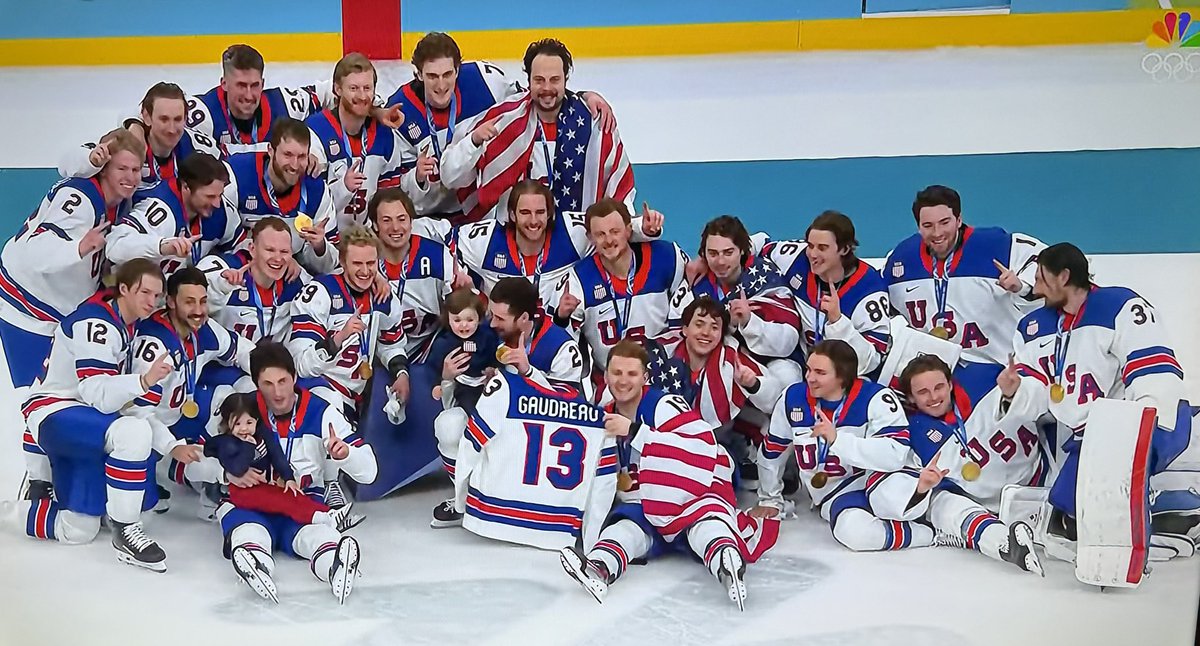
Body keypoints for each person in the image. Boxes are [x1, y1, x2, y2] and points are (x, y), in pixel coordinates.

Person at [559, 340, 779, 611]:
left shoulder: (663, 404)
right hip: (646, 497)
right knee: (626, 527)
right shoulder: (603, 411)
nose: (623, 381)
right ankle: (600, 566)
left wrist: (635, 432)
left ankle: (726, 560)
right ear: (605, 376)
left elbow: (701, 447)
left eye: (631, 374)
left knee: (705, 525)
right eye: (616, 373)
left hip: (697, 490)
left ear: (645, 377)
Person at [1010, 243, 1196, 554]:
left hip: (1143, 424)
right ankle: (1169, 511)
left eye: (1041, 279)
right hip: (1090, 440)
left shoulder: (1119, 306)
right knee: (1065, 514)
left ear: (1064, 277)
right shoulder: (1033, 327)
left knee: (1100, 508)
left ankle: (1142, 515)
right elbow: (1036, 395)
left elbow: (1154, 375)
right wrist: (1013, 390)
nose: (1036, 288)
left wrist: (1133, 437)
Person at [0, 260, 184, 570]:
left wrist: (170, 444)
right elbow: (97, 394)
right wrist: (143, 381)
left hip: (88, 422)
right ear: (123, 289)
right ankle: (125, 530)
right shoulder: (96, 323)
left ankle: (33, 497)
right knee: (133, 432)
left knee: (78, 529)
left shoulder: (127, 322)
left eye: (156, 295)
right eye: (145, 292)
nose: (151, 301)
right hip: (56, 410)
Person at [2, 129, 142, 492]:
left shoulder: (118, 202)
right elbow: (35, 252)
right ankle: (37, 480)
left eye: (136, 169)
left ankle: (49, 471)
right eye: (122, 168)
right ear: (104, 169)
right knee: (41, 396)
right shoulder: (79, 200)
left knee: (60, 391)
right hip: (27, 309)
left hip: (59, 311)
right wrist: (78, 248)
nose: (130, 177)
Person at [387, 32, 616, 222]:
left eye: (447, 74)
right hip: (429, 216)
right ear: (418, 74)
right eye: (432, 76)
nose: (441, 85)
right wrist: (417, 177)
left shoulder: (485, 80)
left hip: (478, 211)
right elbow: (394, 191)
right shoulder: (400, 113)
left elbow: (537, 95)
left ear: (458, 69)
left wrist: (583, 97)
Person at [219, 341, 374, 604]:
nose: (278, 392)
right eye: (268, 384)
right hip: (251, 501)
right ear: (256, 384)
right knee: (248, 530)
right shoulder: (242, 410)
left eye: (283, 381)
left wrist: (346, 455)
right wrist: (226, 473)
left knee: (319, 536)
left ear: (294, 377)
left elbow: (369, 472)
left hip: (301, 500)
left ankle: (335, 567)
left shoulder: (322, 411)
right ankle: (255, 563)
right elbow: (202, 453)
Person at [866, 354, 1045, 575]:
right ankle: (1001, 541)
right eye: (923, 392)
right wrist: (921, 486)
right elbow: (885, 491)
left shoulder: (984, 379)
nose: (933, 397)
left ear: (950, 384)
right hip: (993, 508)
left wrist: (1014, 394)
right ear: (911, 398)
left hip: (1042, 476)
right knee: (940, 503)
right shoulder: (911, 435)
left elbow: (1044, 400)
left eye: (939, 387)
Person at [431, 277, 585, 527]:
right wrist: (447, 379)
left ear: (524, 317)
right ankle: (466, 500)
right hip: (499, 430)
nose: (492, 323)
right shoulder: (485, 337)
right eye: (491, 315)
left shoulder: (562, 347)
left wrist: (528, 372)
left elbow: (570, 411)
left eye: (500, 318)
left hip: (539, 447)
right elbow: (457, 400)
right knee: (449, 424)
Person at [750, 340, 924, 554]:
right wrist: (770, 499)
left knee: (906, 502)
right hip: (837, 495)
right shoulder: (793, 398)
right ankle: (930, 535)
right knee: (854, 533)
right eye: (808, 369)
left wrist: (838, 440)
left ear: (842, 376)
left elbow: (894, 455)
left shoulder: (876, 397)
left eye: (820, 372)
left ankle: (940, 523)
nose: (810, 378)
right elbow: (773, 451)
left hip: (881, 483)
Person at [441, 38, 634, 223]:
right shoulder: (503, 119)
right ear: (529, 81)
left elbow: (620, 188)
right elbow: (449, 175)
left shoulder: (593, 124)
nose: (547, 88)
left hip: (577, 239)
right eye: (539, 80)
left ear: (565, 79)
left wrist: (632, 228)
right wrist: (473, 141)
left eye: (554, 80)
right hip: (513, 240)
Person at [885, 185, 1046, 403]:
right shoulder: (900, 258)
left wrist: (1022, 287)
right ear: (918, 226)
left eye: (945, 222)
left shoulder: (998, 245)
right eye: (928, 225)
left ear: (959, 219)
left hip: (993, 369)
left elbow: (1054, 267)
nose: (937, 233)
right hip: (932, 377)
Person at [124, 267, 254, 517]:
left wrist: (270, 375)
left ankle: (219, 477)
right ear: (171, 302)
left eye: (203, 301)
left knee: (239, 397)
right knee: (147, 505)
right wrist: (171, 447)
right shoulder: (154, 346)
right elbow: (138, 414)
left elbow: (243, 351)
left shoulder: (203, 328)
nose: (198, 310)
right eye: (189, 302)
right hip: (151, 427)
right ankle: (170, 468)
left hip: (183, 411)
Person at [643, 297, 783, 488]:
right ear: (685, 329)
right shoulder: (659, 355)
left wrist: (752, 383)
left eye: (714, 327)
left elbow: (776, 400)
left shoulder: (732, 359)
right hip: (663, 441)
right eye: (699, 324)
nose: (706, 332)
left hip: (714, 444)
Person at [456, 180, 662, 307]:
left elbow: (611, 230)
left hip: (558, 340)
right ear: (512, 215)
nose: (534, 221)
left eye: (540, 212)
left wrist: (644, 227)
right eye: (525, 213)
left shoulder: (572, 232)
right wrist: (458, 275)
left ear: (550, 213)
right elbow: (447, 241)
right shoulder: (486, 240)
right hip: (501, 345)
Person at [556, 198, 691, 375]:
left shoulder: (667, 258)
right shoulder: (578, 280)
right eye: (600, 234)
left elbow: (692, 312)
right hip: (610, 383)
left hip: (664, 377)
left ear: (629, 230)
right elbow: (563, 343)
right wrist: (562, 318)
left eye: (615, 232)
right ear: (590, 238)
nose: (608, 240)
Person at [288, 226, 412, 418]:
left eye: (370, 263)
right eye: (357, 263)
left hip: (354, 397)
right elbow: (301, 366)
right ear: (342, 262)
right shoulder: (321, 292)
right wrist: (339, 338)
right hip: (318, 389)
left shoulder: (384, 297)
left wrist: (401, 374)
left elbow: (391, 346)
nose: (365, 271)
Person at [206, 393, 360, 529]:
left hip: (265, 486)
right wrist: (248, 446)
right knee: (285, 503)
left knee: (294, 495)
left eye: (249, 423)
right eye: (237, 423)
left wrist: (289, 478)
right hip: (244, 492)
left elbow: (276, 454)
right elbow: (237, 468)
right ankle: (324, 519)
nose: (244, 429)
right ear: (228, 422)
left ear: (256, 420)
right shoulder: (228, 443)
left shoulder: (260, 433)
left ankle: (331, 516)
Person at [764, 211, 891, 376]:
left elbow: (872, 360)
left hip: (841, 377)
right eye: (810, 245)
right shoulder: (796, 258)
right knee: (784, 376)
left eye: (822, 248)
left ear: (844, 249)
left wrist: (837, 321)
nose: (813, 254)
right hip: (800, 363)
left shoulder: (870, 290)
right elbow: (758, 246)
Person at [223, 117, 339, 277]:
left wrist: (319, 247)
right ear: (270, 150)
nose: (294, 165)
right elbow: (221, 240)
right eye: (288, 154)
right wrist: (274, 257)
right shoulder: (237, 174)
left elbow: (329, 266)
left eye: (302, 156)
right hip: (240, 268)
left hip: (289, 273)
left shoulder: (317, 190)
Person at [308, 53, 406, 231]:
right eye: (353, 88)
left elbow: (388, 197)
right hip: (324, 237)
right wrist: (343, 187)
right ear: (337, 89)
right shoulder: (316, 131)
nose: (362, 96)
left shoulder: (385, 134)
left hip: (366, 238)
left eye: (367, 88)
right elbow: (310, 203)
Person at [59, 82, 220, 188]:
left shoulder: (198, 147)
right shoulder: (124, 144)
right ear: (146, 116)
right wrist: (91, 160)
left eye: (177, 119)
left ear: (186, 118)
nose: (172, 129)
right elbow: (65, 166)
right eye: (164, 119)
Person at [107, 152, 241, 276]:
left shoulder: (221, 211)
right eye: (210, 196)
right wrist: (162, 246)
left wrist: (220, 272)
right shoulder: (161, 208)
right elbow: (115, 246)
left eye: (220, 195)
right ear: (186, 187)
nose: (217, 203)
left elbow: (243, 247)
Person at [691, 215, 801, 364]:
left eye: (728, 253)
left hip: (774, 362)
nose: (720, 261)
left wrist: (750, 322)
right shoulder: (697, 283)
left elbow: (788, 341)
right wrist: (729, 326)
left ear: (742, 250)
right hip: (723, 361)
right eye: (713, 253)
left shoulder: (765, 276)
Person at [176, 44, 324, 155]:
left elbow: (329, 92)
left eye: (254, 85)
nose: (248, 95)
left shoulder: (283, 104)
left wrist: (315, 149)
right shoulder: (201, 115)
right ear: (224, 84)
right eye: (241, 85)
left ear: (263, 84)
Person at [366, 188, 458, 354]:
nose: (395, 227)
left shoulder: (437, 256)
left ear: (411, 222)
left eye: (402, 219)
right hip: (377, 355)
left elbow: (462, 311)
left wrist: (464, 290)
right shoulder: (364, 262)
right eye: (386, 220)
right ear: (375, 225)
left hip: (429, 351)